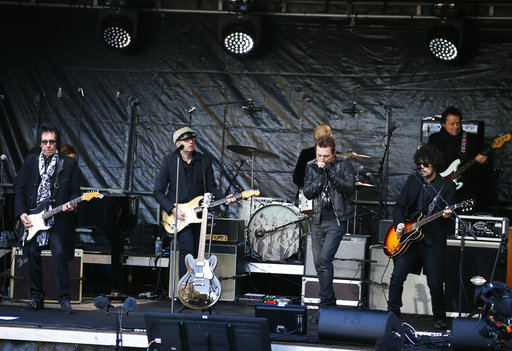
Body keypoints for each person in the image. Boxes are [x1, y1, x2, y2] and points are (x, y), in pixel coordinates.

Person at [388, 144, 456, 330]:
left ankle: (439, 317)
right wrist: (400, 223)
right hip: (409, 239)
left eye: (425, 164)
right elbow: (399, 207)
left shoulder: (447, 186)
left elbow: (450, 225)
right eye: (419, 164)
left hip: (432, 240)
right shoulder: (413, 181)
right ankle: (392, 313)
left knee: (435, 283)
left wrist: (447, 216)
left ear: (435, 164)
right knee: (397, 276)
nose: (422, 168)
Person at [154, 127, 236, 279]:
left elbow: (211, 188)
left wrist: (225, 199)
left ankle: (197, 290)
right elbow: (158, 191)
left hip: (199, 214)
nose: (191, 142)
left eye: (192, 139)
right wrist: (172, 209)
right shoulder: (170, 161)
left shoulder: (203, 161)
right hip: (179, 215)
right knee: (187, 249)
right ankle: (184, 290)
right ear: (178, 143)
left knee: (199, 251)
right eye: (186, 140)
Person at [14, 125, 80, 313]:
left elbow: (76, 191)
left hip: (57, 219)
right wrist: (22, 214)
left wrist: (71, 204)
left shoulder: (68, 163)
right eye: (45, 142)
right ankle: (37, 298)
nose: (48, 145)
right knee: (32, 254)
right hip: (34, 219)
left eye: (52, 142)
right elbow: (19, 189)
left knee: (59, 253)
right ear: (40, 143)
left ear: (57, 143)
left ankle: (64, 299)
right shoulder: (30, 162)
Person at [303, 135, 355, 322]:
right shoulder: (311, 166)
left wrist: (330, 173)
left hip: (336, 219)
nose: (322, 159)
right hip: (317, 219)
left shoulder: (345, 164)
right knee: (319, 265)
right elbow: (307, 192)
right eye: (319, 155)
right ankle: (330, 302)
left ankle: (324, 306)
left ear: (334, 153)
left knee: (325, 259)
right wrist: (319, 174)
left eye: (326, 156)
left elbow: (349, 189)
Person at [428, 107, 488, 208]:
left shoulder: (472, 139)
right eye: (452, 124)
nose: (456, 127)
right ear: (443, 124)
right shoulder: (434, 139)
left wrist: (484, 161)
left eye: (458, 123)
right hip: (441, 188)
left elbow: (484, 164)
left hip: (466, 189)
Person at [292, 124, 332, 188]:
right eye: (326, 131)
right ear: (317, 137)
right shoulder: (306, 154)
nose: (330, 134)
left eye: (330, 132)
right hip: (310, 194)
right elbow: (297, 178)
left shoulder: (336, 155)